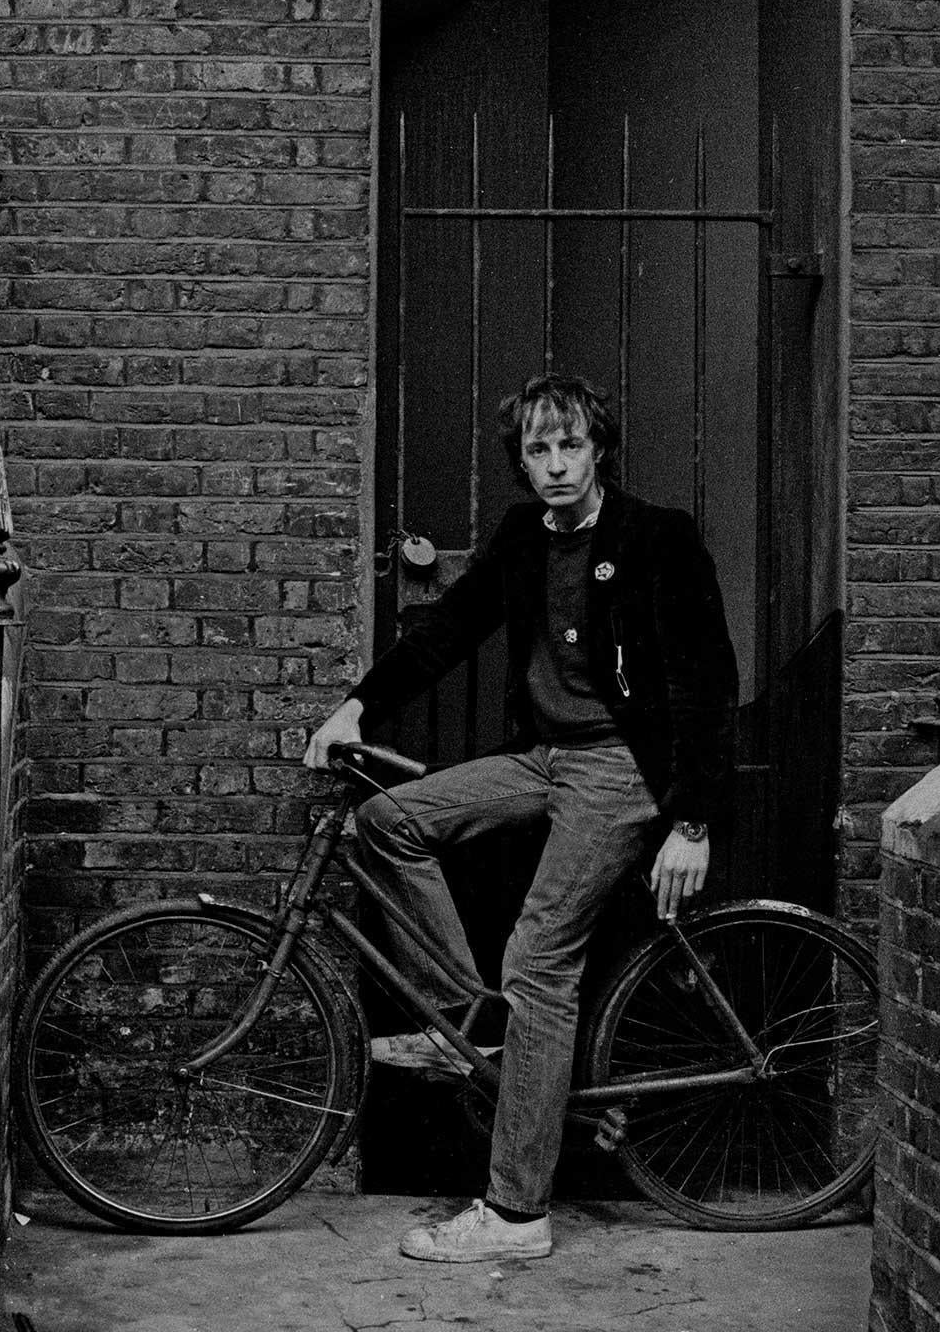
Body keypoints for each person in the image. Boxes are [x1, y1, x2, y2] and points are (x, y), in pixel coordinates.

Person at [303, 373, 738, 1263]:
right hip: (546, 759)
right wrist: (357, 706)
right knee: (383, 824)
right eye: (537, 450)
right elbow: (448, 629)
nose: (554, 465)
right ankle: (463, 1021)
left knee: (539, 963)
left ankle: (515, 1214)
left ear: (599, 448)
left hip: (622, 770)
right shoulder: (522, 539)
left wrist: (691, 822)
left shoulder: (658, 537)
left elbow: (706, 681)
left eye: (569, 444)